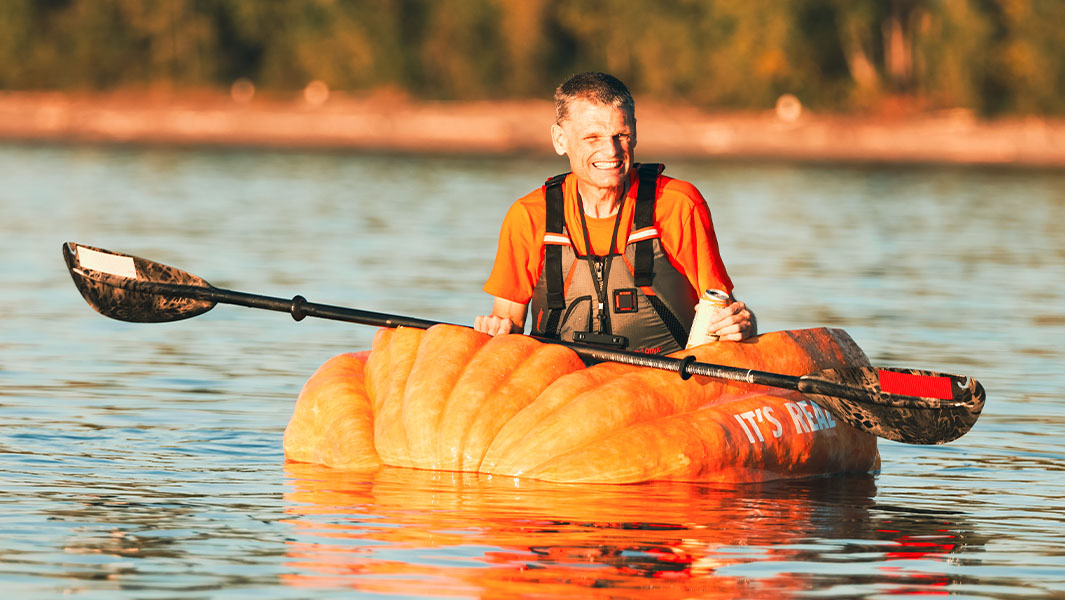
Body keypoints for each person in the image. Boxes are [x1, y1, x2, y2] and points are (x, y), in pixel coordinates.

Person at [474, 72, 755, 354]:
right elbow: (508, 325)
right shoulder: (528, 215)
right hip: (561, 386)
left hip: (667, 386)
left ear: (635, 132)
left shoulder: (678, 204)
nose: (611, 150)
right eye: (593, 137)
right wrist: (495, 330)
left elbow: (722, 312)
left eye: (621, 135)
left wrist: (744, 324)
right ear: (560, 140)